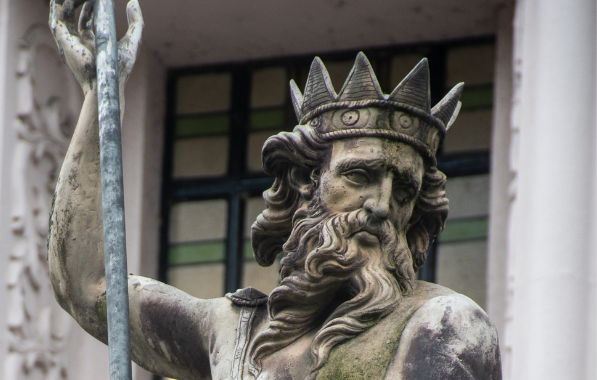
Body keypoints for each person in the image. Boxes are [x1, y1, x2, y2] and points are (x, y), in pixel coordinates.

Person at [47, 1, 502, 379]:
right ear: (307, 183)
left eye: (403, 192)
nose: (382, 207)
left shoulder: (444, 325)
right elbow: (89, 287)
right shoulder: (229, 331)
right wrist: (100, 93)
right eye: (359, 177)